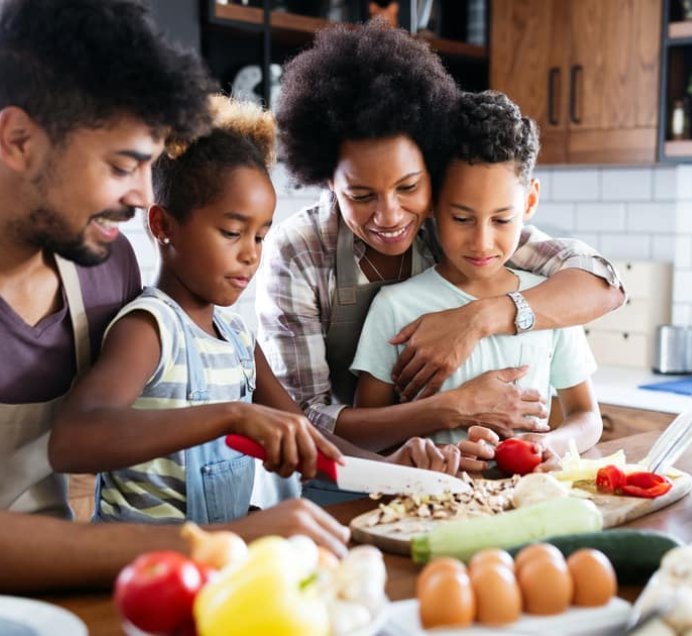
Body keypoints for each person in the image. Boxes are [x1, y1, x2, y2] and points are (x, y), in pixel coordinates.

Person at [0, 0, 345, 593]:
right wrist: (225, 540)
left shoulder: (105, 267)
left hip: (79, 597)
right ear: (18, 139)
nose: (139, 197)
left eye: (150, 167)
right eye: (121, 165)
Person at [49, 96, 461, 525]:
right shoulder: (150, 329)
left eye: (260, 236)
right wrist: (232, 415)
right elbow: (73, 439)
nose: (251, 255)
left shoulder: (238, 339)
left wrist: (394, 468)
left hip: (219, 562)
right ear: (163, 226)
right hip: (145, 568)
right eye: (232, 232)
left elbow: (308, 435)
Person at [257, 21, 623, 463]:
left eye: (408, 187)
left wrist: (477, 319)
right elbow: (305, 419)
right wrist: (452, 409)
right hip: (326, 480)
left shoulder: (457, 224)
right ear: (327, 181)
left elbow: (603, 284)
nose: (389, 216)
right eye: (361, 195)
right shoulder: (299, 251)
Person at [352, 91, 602, 470]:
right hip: (429, 507)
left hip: (525, 503)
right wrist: (426, 457)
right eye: (463, 219)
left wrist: (554, 442)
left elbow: (587, 416)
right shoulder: (395, 306)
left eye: (502, 220)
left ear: (530, 201)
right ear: (433, 203)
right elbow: (365, 436)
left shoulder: (547, 302)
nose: (483, 242)